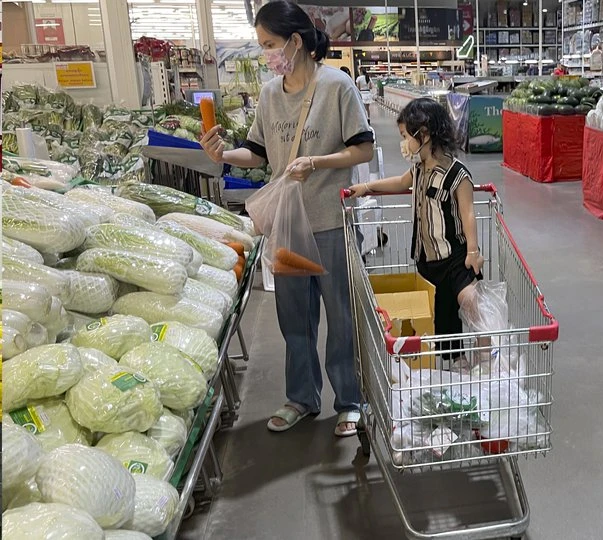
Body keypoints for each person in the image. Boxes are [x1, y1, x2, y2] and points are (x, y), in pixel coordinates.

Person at [199, 0, 374, 435]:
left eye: (271, 44)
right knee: (294, 318)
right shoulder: (268, 96)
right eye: (262, 46)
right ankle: (301, 397)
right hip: (287, 227)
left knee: (341, 317)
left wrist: (316, 162)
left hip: (330, 219)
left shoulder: (338, 87)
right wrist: (223, 155)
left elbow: (363, 148)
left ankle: (349, 401)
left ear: (296, 42)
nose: (267, 55)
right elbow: (256, 155)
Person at [348, 98, 483, 363]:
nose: (403, 143)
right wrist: (366, 188)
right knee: (442, 317)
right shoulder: (418, 169)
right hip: (426, 259)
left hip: (455, 256)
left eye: (405, 136)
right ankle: (455, 362)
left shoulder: (457, 174)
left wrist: (473, 251)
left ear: (424, 134)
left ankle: (488, 358)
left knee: (470, 300)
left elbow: (468, 213)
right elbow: (399, 182)